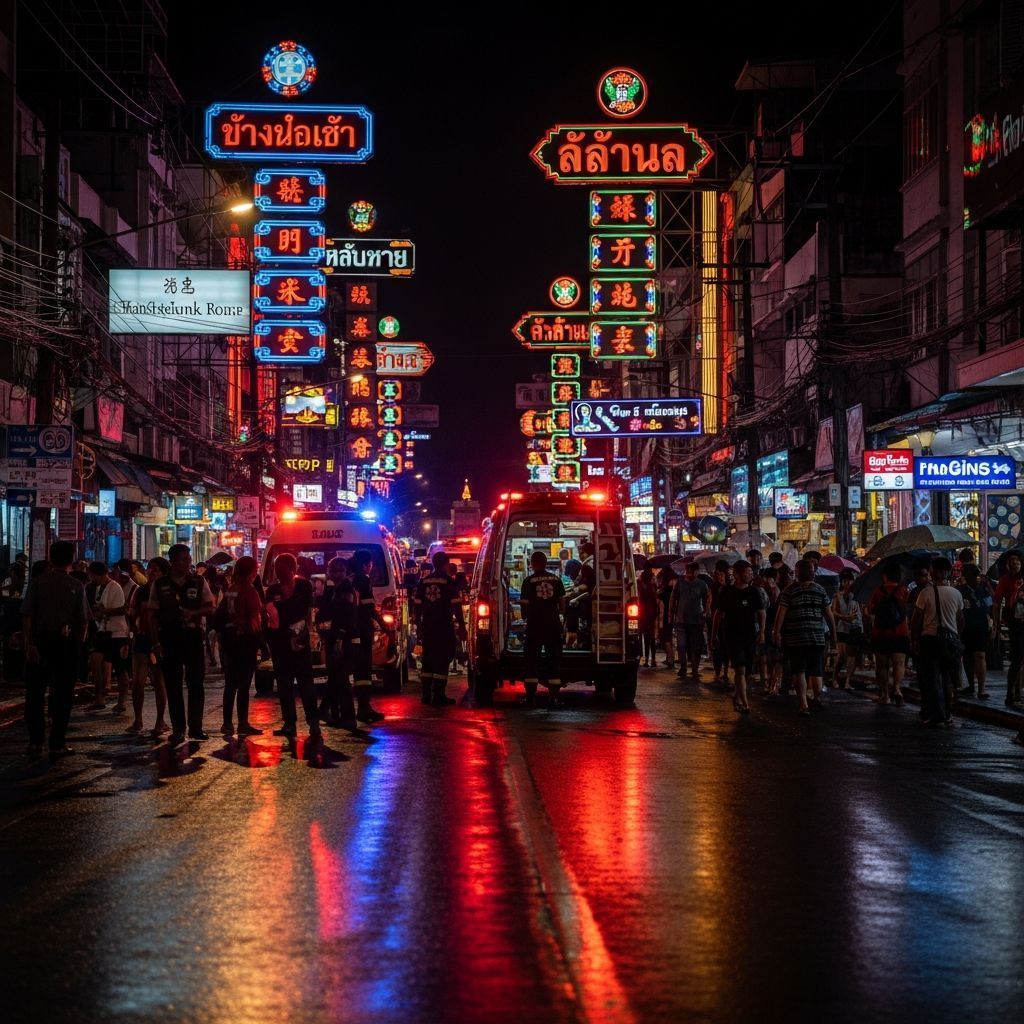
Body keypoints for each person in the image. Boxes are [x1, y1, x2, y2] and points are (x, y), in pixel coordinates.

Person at [21, 541, 89, 761]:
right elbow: (83, 621)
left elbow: (27, 616)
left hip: (40, 642)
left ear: (51, 557)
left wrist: (29, 644)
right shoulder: (76, 585)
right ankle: (57, 743)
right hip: (65, 642)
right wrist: (79, 644)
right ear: (72, 559)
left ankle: (35, 741)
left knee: (35, 693)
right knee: (63, 694)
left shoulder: (38, 583)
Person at [148, 544, 215, 745]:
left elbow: (210, 607)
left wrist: (193, 613)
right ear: (173, 562)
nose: (187, 564)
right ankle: (178, 729)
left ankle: (196, 727)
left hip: (192, 637)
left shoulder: (198, 581)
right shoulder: (160, 585)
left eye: (188, 560)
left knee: (196, 683)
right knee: (173, 686)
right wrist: (155, 643)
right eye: (182, 560)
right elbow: (152, 615)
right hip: (169, 638)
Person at [265, 553, 320, 740]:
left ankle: (314, 724)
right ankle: (289, 723)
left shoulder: (304, 586)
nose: (279, 573)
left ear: (293, 569)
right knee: (284, 686)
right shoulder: (272, 590)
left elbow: (308, 612)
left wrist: (306, 633)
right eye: (277, 569)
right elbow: (269, 614)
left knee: (306, 685)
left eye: (283, 569)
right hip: (280, 644)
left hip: (299, 642)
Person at [774, 559, 836, 715]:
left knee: (799, 671)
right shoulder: (820, 590)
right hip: (817, 636)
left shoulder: (789, 591)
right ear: (812, 573)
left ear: (797, 573)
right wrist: (834, 636)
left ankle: (803, 704)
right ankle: (817, 698)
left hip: (796, 638)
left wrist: (776, 632)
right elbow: (829, 616)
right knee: (816, 671)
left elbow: (780, 615)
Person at [910, 557, 965, 727]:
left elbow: (916, 620)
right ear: (947, 572)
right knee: (947, 678)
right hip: (951, 640)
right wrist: (956, 637)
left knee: (932, 679)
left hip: (930, 639)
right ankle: (947, 714)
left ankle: (937, 715)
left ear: (935, 572)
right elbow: (960, 619)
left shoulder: (925, 593)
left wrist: (914, 639)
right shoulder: (956, 593)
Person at [415, 551, 468, 707]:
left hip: (428, 627)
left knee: (428, 659)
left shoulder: (423, 582)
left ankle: (426, 694)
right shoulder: (448, 582)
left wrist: (418, 625)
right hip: (444, 626)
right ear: (446, 564)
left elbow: (417, 606)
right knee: (443, 658)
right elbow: (456, 606)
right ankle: (438, 695)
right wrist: (462, 627)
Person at [712, 559, 765, 713]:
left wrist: (761, 632)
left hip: (749, 635)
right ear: (737, 574)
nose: (751, 574)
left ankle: (737, 696)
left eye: (751, 572)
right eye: (747, 572)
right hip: (732, 635)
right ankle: (745, 703)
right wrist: (713, 635)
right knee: (740, 669)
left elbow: (761, 613)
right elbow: (718, 614)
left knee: (747, 672)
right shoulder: (727, 592)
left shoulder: (754, 592)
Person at [218, 556, 263, 738]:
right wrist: (261, 644)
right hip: (244, 640)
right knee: (244, 685)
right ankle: (242, 723)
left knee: (230, 684)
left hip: (229, 640)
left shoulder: (231, 589)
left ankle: (227, 723)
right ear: (252, 571)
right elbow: (254, 620)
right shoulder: (249, 591)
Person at [127, 558, 169, 736]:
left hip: (161, 641)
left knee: (159, 681)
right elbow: (131, 613)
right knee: (138, 682)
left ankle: (160, 720)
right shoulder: (141, 591)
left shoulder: (166, 592)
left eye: (156, 569)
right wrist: (135, 631)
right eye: (150, 569)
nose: (151, 572)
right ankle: (138, 719)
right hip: (142, 640)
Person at [519, 549, 566, 706]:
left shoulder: (528, 581)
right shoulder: (556, 579)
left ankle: (530, 697)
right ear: (546, 563)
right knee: (554, 659)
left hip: (534, 625)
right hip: (553, 624)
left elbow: (524, 609)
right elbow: (562, 605)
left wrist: (525, 618)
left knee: (531, 660)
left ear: (532, 564)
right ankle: (553, 697)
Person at [317, 557, 359, 728]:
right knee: (335, 677)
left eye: (340, 570)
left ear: (346, 571)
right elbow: (326, 613)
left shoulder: (346, 590)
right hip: (333, 637)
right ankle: (332, 713)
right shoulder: (333, 590)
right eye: (333, 570)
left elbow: (346, 618)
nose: (337, 573)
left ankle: (347, 717)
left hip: (343, 638)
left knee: (340, 678)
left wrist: (340, 640)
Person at [86, 562, 130, 714]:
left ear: (98, 574)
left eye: (91, 574)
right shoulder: (99, 588)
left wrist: (104, 612)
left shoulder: (114, 587)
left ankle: (122, 701)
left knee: (120, 667)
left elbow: (121, 610)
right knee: (95, 661)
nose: (91, 578)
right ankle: (99, 698)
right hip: (103, 631)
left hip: (117, 633)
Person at [350, 549, 389, 723]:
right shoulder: (363, 580)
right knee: (363, 669)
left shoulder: (350, 579)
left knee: (359, 669)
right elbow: (369, 608)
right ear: (367, 564)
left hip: (353, 629)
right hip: (363, 629)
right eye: (371, 564)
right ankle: (364, 709)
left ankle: (363, 708)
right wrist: (383, 625)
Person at [866, 563, 911, 706]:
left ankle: (885, 694)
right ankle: (897, 689)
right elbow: (908, 612)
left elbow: (871, 610)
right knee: (899, 663)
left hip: (880, 633)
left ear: (885, 576)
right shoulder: (904, 591)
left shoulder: (878, 592)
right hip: (900, 632)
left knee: (882, 665)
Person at [991, 551, 1023, 708]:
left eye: (1017, 562)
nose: (1015, 565)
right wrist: (996, 624)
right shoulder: (1004, 580)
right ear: (1007, 566)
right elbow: (997, 602)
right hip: (1015, 623)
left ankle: (1018, 693)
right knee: (1017, 659)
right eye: (1012, 562)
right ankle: (1012, 694)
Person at [669, 560, 710, 681]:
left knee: (695, 646)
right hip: (681, 620)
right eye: (688, 572)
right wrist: (670, 615)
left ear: (697, 572)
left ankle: (695, 670)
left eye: (692, 572)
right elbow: (673, 599)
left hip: (697, 620)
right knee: (681, 645)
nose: (689, 574)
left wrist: (705, 612)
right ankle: (683, 668)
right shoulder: (680, 583)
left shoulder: (702, 584)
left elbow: (708, 598)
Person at [956, 563, 992, 699]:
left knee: (980, 656)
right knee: (967, 657)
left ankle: (981, 688)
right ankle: (971, 685)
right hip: (966, 627)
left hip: (981, 626)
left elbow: (989, 607)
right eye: (974, 575)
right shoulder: (960, 591)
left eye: (977, 575)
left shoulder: (983, 589)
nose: (977, 578)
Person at [831, 570, 864, 690]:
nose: (847, 583)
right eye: (844, 581)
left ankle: (848, 681)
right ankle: (835, 677)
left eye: (849, 580)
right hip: (841, 628)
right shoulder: (837, 595)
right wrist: (844, 617)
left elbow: (860, 610)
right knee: (842, 655)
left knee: (852, 655)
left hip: (855, 626)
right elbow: (833, 611)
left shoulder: (857, 595)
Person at [708, 561, 731, 684]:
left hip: (726, 621)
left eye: (722, 574)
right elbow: (712, 602)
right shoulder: (714, 587)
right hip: (715, 619)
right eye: (718, 575)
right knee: (717, 647)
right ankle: (717, 672)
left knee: (726, 647)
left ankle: (726, 672)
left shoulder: (730, 587)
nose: (720, 577)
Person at [636, 567, 659, 667]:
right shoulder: (652, 584)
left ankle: (644, 659)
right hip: (651, 613)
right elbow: (655, 598)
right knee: (651, 637)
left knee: (642, 636)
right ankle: (652, 659)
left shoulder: (640, 583)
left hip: (642, 613)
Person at [655, 566, 677, 669]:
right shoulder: (674, 590)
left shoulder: (663, 592)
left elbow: (658, 603)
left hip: (665, 618)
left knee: (666, 638)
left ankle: (670, 660)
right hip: (673, 617)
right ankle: (670, 657)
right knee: (670, 638)